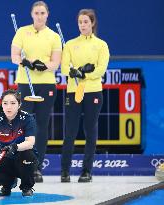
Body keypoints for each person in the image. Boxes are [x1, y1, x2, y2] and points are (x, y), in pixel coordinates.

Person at [11, 1, 62, 183]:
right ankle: (20, 164)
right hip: (25, 83)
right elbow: (14, 56)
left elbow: (56, 63)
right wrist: (23, 62)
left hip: (46, 84)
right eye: (36, 13)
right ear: (32, 14)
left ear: (47, 14)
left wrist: (42, 66)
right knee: (22, 125)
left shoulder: (54, 36)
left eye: (42, 13)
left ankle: (36, 168)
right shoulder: (21, 32)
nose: (39, 16)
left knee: (41, 126)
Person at [60, 9, 110, 183]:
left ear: (92, 23)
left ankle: (86, 171)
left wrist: (85, 75)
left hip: (93, 92)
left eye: (86, 22)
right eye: (80, 22)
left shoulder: (101, 45)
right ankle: (65, 171)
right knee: (70, 132)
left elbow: (101, 69)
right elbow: (65, 68)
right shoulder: (70, 44)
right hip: (74, 92)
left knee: (90, 131)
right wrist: (75, 72)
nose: (83, 25)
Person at [0, 89, 37, 197]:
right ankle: (7, 183)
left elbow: (30, 142)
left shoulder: (27, 119)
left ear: (19, 105)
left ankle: (26, 187)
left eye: (13, 103)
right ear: (1, 104)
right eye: (5, 103)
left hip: (22, 155)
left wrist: (15, 147)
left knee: (28, 155)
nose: (8, 107)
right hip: (4, 156)